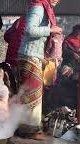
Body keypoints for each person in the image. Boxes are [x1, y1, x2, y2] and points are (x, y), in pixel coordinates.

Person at [17, 0, 62, 135]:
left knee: (30, 94)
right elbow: (30, 30)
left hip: (32, 55)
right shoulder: (38, 7)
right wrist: (51, 30)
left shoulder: (44, 7)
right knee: (33, 95)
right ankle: (30, 130)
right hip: (29, 56)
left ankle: (27, 128)